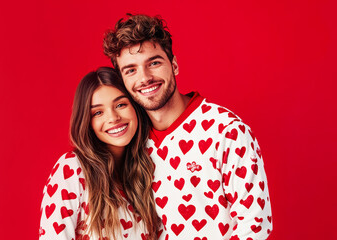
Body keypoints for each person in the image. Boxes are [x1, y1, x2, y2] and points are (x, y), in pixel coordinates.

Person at [103, 14, 272, 239]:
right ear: (123, 81)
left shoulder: (226, 131)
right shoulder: (130, 141)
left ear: (174, 65)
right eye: (131, 70)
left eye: (154, 63)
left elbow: (255, 225)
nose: (144, 78)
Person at [39, 67, 164, 240]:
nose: (113, 118)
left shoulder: (148, 168)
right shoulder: (72, 168)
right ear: (87, 121)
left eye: (120, 105)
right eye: (98, 112)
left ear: (135, 107)